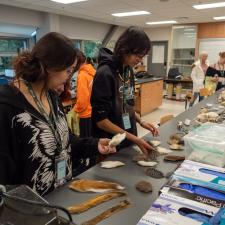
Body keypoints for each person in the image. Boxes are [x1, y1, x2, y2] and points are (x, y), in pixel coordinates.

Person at [0, 32, 115, 196]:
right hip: (30, 210)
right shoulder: (6, 106)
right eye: (68, 71)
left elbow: (63, 142)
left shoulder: (52, 96)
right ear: (49, 66)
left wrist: (94, 145)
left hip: (63, 196)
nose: (69, 77)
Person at [91, 26, 158, 155]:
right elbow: (101, 121)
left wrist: (141, 121)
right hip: (111, 141)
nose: (140, 59)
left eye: (143, 55)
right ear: (125, 49)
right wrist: (136, 139)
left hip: (128, 135)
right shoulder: (105, 73)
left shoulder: (128, 70)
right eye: (138, 55)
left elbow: (128, 104)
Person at [74, 51, 96, 138]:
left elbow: (82, 101)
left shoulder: (82, 75)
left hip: (85, 115)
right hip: (93, 112)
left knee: (86, 143)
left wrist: (75, 109)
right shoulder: (93, 72)